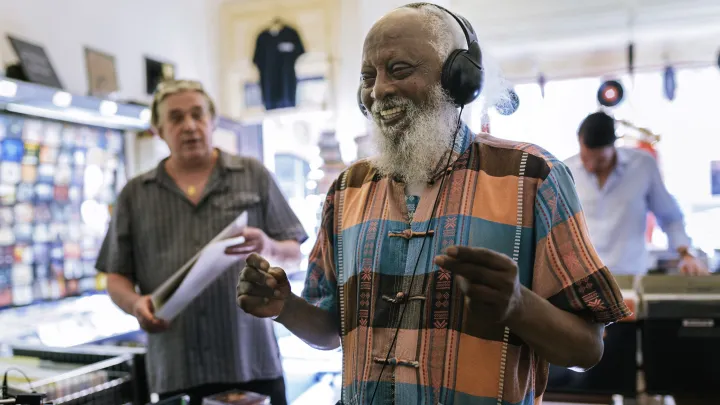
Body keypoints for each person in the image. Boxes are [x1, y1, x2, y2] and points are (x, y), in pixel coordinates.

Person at [237, 4, 630, 405]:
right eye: (368, 77)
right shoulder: (345, 191)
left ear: (459, 79)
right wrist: (284, 307)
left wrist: (517, 304)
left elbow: (587, 349)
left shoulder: (532, 177)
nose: (379, 91)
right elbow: (330, 329)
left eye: (400, 69)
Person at [100, 79, 307, 405]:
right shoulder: (135, 194)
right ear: (158, 129)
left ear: (212, 120)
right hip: (177, 368)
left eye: (198, 115)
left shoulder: (253, 175)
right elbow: (115, 276)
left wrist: (267, 246)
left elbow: (295, 254)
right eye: (176, 118)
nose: (189, 126)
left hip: (251, 361)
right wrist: (135, 305)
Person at [565, 111, 708, 276]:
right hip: (582, 278)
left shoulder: (643, 166)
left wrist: (686, 254)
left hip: (630, 275)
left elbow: (670, 217)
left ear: (614, 146)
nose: (590, 166)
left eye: (599, 161)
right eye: (585, 158)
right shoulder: (566, 171)